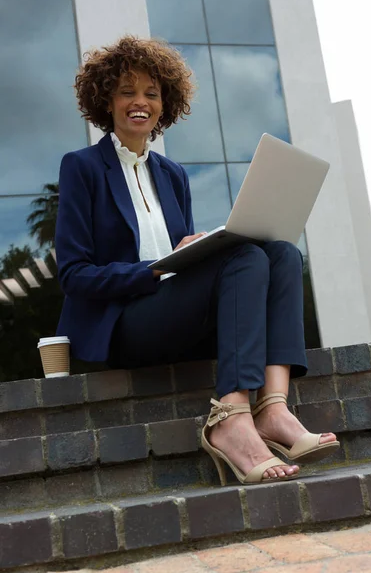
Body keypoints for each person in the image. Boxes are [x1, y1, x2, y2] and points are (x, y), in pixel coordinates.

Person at [55, 35, 339, 486]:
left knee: (282, 252)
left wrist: (189, 251)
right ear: (105, 98)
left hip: (172, 315)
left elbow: (179, 260)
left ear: (165, 103)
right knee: (244, 258)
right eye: (127, 91)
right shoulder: (82, 167)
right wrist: (154, 269)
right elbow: (73, 274)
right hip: (123, 325)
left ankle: (274, 409)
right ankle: (231, 419)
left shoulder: (174, 175)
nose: (140, 102)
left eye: (151, 93)